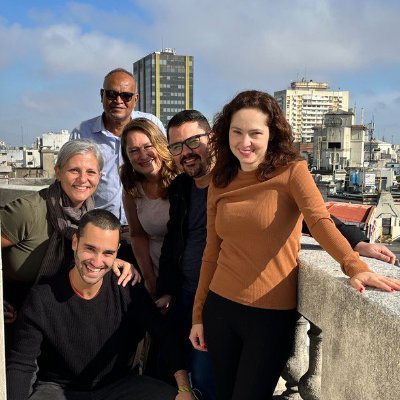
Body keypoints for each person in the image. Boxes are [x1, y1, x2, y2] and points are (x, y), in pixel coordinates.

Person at [156, 109, 396, 400]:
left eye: (193, 142)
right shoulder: (195, 185)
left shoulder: (288, 171)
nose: (186, 152)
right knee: (210, 390)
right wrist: (195, 313)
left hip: (267, 313)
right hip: (212, 304)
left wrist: (355, 259)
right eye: (177, 146)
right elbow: (205, 250)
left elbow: (318, 218)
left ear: (211, 138)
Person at [6, 209, 197, 400]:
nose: (97, 261)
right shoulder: (42, 298)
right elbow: (21, 364)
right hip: (57, 389)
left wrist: (184, 388)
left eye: (108, 253)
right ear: (75, 242)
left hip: (118, 385)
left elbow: (163, 333)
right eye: (90, 248)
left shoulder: (127, 286)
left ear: (117, 252)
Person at [1, 140, 137, 346]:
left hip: (54, 314)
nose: (83, 179)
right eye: (74, 170)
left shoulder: (89, 216)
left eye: (91, 172)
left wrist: (113, 261)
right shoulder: (29, 210)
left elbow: (86, 254)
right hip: (15, 313)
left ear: (99, 177)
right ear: (58, 172)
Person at [70, 68, 165, 228]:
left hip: (147, 227)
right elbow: (70, 180)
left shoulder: (152, 125)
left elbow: (168, 166)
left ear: (136, 99)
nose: (118, 101)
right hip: (100, 228)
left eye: (126, 96)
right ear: (102, 95)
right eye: (111, 94)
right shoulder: (82, 133)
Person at [120, 118, 179, 299]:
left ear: (160, 145)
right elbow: (137, 234)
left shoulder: (181, 175)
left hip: (184, 272)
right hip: (155, 269)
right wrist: (149, 277)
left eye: (148, 146)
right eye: (134, 151)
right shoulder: (131, 187)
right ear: (127, 156)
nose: (143, 155)